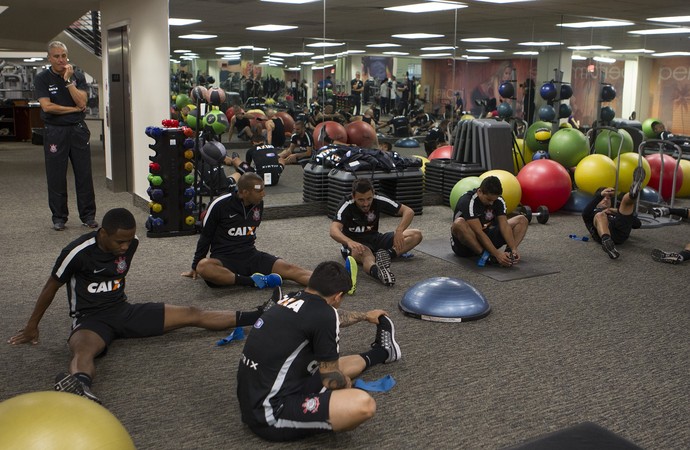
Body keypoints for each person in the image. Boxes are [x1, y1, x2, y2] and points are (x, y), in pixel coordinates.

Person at [7, 208, 267, 404]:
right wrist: (32, 327)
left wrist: (259, 316)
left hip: (124, 311)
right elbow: (50, 286)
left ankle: (257, 316)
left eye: (129, 240)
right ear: (103, 233)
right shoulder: (77, 252)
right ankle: (80, 388)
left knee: (191, 313)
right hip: (90, 320)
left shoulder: (131, 245)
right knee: (84, 352)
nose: (125, 246)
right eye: (119, 241)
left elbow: (124, 254)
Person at [236, 260, 401, 442]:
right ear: (338, 296)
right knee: (363, 404)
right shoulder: (324, 315)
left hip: (253, 400)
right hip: (271, 415)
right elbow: (331, 380)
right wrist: (346, 384)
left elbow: (331, 316)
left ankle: (384, 352)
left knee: (335, 365)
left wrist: (364, 316)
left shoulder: (291, 298)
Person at [183, 172, 312, 288]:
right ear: (244, 192)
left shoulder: (258, 203)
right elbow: (206, 236)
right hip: (225, 259)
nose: (263, 194)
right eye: (259, 191)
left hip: (251, 255)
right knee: (203, 267)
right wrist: (195, 265)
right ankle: (253, 281)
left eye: (263, 189)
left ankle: (329, 286)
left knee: (290, 268)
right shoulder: (220, 204)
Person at [35, 41, 97, 231]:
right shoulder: (43, 79)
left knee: (84, 174)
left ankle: (88, 216)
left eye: (63, 55)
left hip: (77, 130)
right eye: (56, 56)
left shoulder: (77, 76)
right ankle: (59, 217)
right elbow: (47, 107)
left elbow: (82, 100)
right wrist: (73, 109)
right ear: (49, 58)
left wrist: (69, 82)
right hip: (55, 131)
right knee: (56, 175)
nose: (61, 60)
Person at [330, 179, 423, 286]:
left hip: (376, 238)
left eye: (369, 199)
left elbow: (408, 211)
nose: (366, 204)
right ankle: (378, 273)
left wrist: (399, 231)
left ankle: (386, 255)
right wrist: (349, 242)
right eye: (361, 200)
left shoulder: (378, 198)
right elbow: (333, 230)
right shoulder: (346, 204)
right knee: (366, 255)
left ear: (373, 193)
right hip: (357, 245)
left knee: (416, 235)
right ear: (353, 196)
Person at [451, 176, 528, 267]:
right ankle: (486, 256)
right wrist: (497, 254)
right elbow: (478, 232)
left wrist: (513, 248)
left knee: (522, 220)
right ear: (480, 191)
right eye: (488, 200)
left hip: (487, 236)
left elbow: (504, 226)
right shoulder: (468, 201)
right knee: (458, 223)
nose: (491, 203)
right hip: (467, 244)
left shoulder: (498, 200)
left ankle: (508, 256)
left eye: (494, 200)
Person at [582, 167, 645, 259]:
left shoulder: (614, 211)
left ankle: (633, 193)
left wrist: (615, 211)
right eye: (603, 198)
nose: (606, 199)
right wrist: (600, 195)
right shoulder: (592, 213)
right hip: (603, 235)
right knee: (600, 215)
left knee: (626, 203)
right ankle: (607, 242)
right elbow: (585, 213)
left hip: (620, 233)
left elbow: (637, 224)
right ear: (597, 201)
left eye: (608, 198)